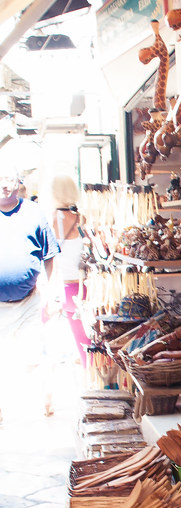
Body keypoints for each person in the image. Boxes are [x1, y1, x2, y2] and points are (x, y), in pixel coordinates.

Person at [0, 171, 61, 422]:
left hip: (28, 300)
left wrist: (51, 292)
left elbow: (49, 255)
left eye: (9, 180)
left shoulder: (34, 212)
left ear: (18, 183)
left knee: (35, 357)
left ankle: (45, 405)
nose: (4, 186)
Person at [49, 175, 88, 369]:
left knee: (80, 344)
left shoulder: (51, 220)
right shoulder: (81, 219)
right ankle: (99, 382)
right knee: (91, 344)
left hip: (65, 289)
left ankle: (92, 384)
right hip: (86, 287)